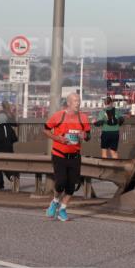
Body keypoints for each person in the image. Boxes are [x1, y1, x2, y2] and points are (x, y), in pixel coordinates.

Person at [42, 93, 91, 222]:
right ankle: (55, 201)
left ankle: (62, 209)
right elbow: (46, 130)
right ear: (68, 103)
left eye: (79, 101)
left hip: (75, 156)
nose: (78, 103)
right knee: (61, 182)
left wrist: (84, 136)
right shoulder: (59, 116)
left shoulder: (83, 117)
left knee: (71, 186)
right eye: (75, 101)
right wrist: (57, 138)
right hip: (59, 154)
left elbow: (88, 136)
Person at [0, 108, 19, 190]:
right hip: (9, 151)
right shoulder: (10, 128)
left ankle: (0, 185)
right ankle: (11, 176)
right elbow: (15, 139)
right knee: (7, 166)